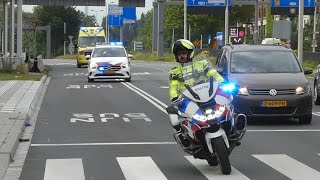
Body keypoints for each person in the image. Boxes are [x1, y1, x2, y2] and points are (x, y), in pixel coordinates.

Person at [166, 39, 225, 146]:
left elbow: (213, 74)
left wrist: (221, 82)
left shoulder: (202, 64)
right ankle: (184, 136)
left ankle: (234, 123)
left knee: (226, 100)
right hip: (188, 99)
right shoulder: (174, 72)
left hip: (207, 94)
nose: (181, 56)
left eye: (183, 53)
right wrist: (174, 97)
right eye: (179, 54)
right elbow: (173, 87)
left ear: (190, 53)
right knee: (174, 114)